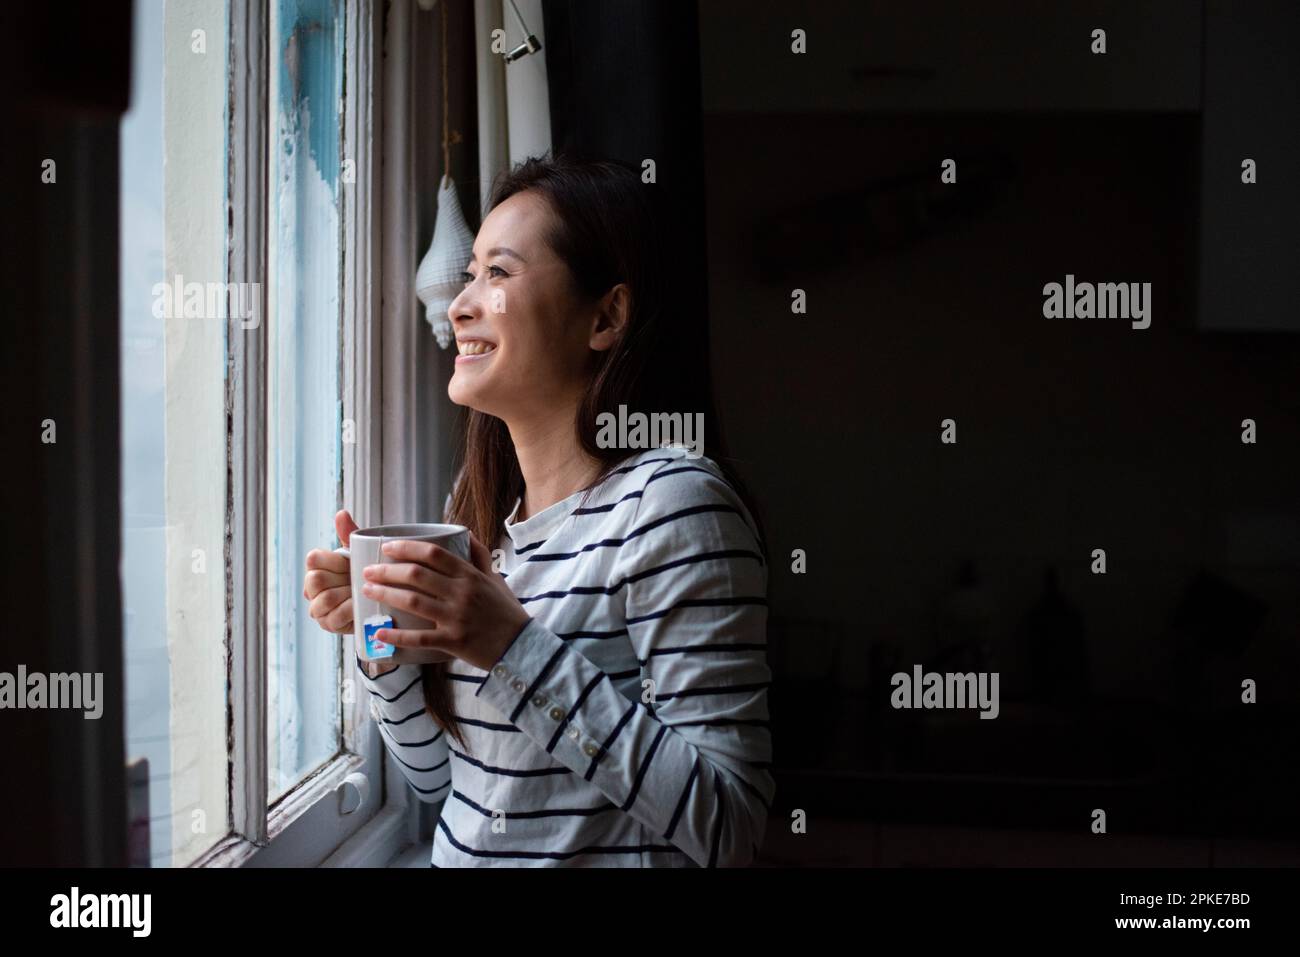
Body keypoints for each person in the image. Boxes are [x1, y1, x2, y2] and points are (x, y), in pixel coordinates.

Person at [302, 153, 773, 866]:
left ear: (606, 315)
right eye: (470, 277)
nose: (461, 305)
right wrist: (382, 643)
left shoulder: (673, 507)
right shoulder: (480, 515)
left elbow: (730, 825)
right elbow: (440, 777)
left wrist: (509, 645)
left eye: (498, 273)